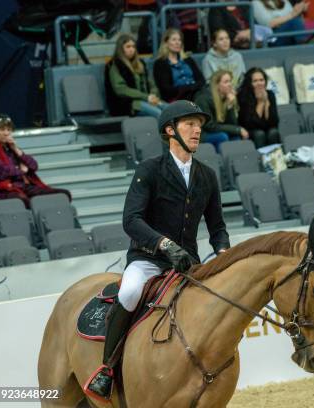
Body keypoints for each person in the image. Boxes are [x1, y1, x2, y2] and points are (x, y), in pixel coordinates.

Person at [85, 100, 230, 400]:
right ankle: (107, 369)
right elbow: (131, 220)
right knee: (129, 292)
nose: (197, 129)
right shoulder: (149, 170)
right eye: (189, 123)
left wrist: (224, 253)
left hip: (188, 263)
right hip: (148, 260)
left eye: (199, 124)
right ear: (169, 130)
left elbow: (217, 227)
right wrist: (163, 244)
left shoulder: (207, 175)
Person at [0, 114, 71, 208]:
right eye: (2, 129)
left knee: (62, 195)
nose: (6, 133)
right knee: (23, 201)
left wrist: (16, 149)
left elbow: (34, 166)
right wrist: (21, 170)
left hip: (24, 186)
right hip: (5, 189)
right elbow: (1, 171)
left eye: (8, 129)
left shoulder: (10, 147)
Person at [104, 34, 167, 118]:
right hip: (128, 104)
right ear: (121, 49)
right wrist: (146, 97)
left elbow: (152, 84)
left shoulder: (141, 63)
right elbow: (121, 89)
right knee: (159, 113)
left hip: (147, 99)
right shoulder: (114, 65)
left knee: (170, 110)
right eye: (128, 47)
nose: (131, 49)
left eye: (133, 47)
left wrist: (153, 95)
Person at [194, 70, 249, 151]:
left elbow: (233, 124)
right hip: (202, 134)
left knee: (236, 137)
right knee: (223, 136)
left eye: (230, 81)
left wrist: (229, 105)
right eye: (226, 82)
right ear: (217, 85)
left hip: (218, 130)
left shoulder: (226, 97)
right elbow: (210, 126)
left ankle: (235, 161)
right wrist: (238, 130)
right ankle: (222, 162)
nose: (230, 84)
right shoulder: (203, 99)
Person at [153, 28, 206, 103]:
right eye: (174, 40)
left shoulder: (188, 60)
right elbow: (166, 89)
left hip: (195, 93)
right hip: (177, 97)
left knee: (206, 96)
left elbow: (201, 80)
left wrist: (189, 88)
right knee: (202, 99)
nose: (177, 43)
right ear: (166, 42)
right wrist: (187, 88)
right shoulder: (160, 63)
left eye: (179, 40)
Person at [238, 68, 280, 148]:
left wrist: (266, 102)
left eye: (261, 80)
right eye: (255, 81)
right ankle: (260, 159)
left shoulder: (270, 94)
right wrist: (260, 102)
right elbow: (251, 124)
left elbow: (274, 122)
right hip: (250, 131)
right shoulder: (243, 96)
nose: (259, 83)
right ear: (249, 83)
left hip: (267, 129)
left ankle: (276, 158)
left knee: (273, 132)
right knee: (259, 134)